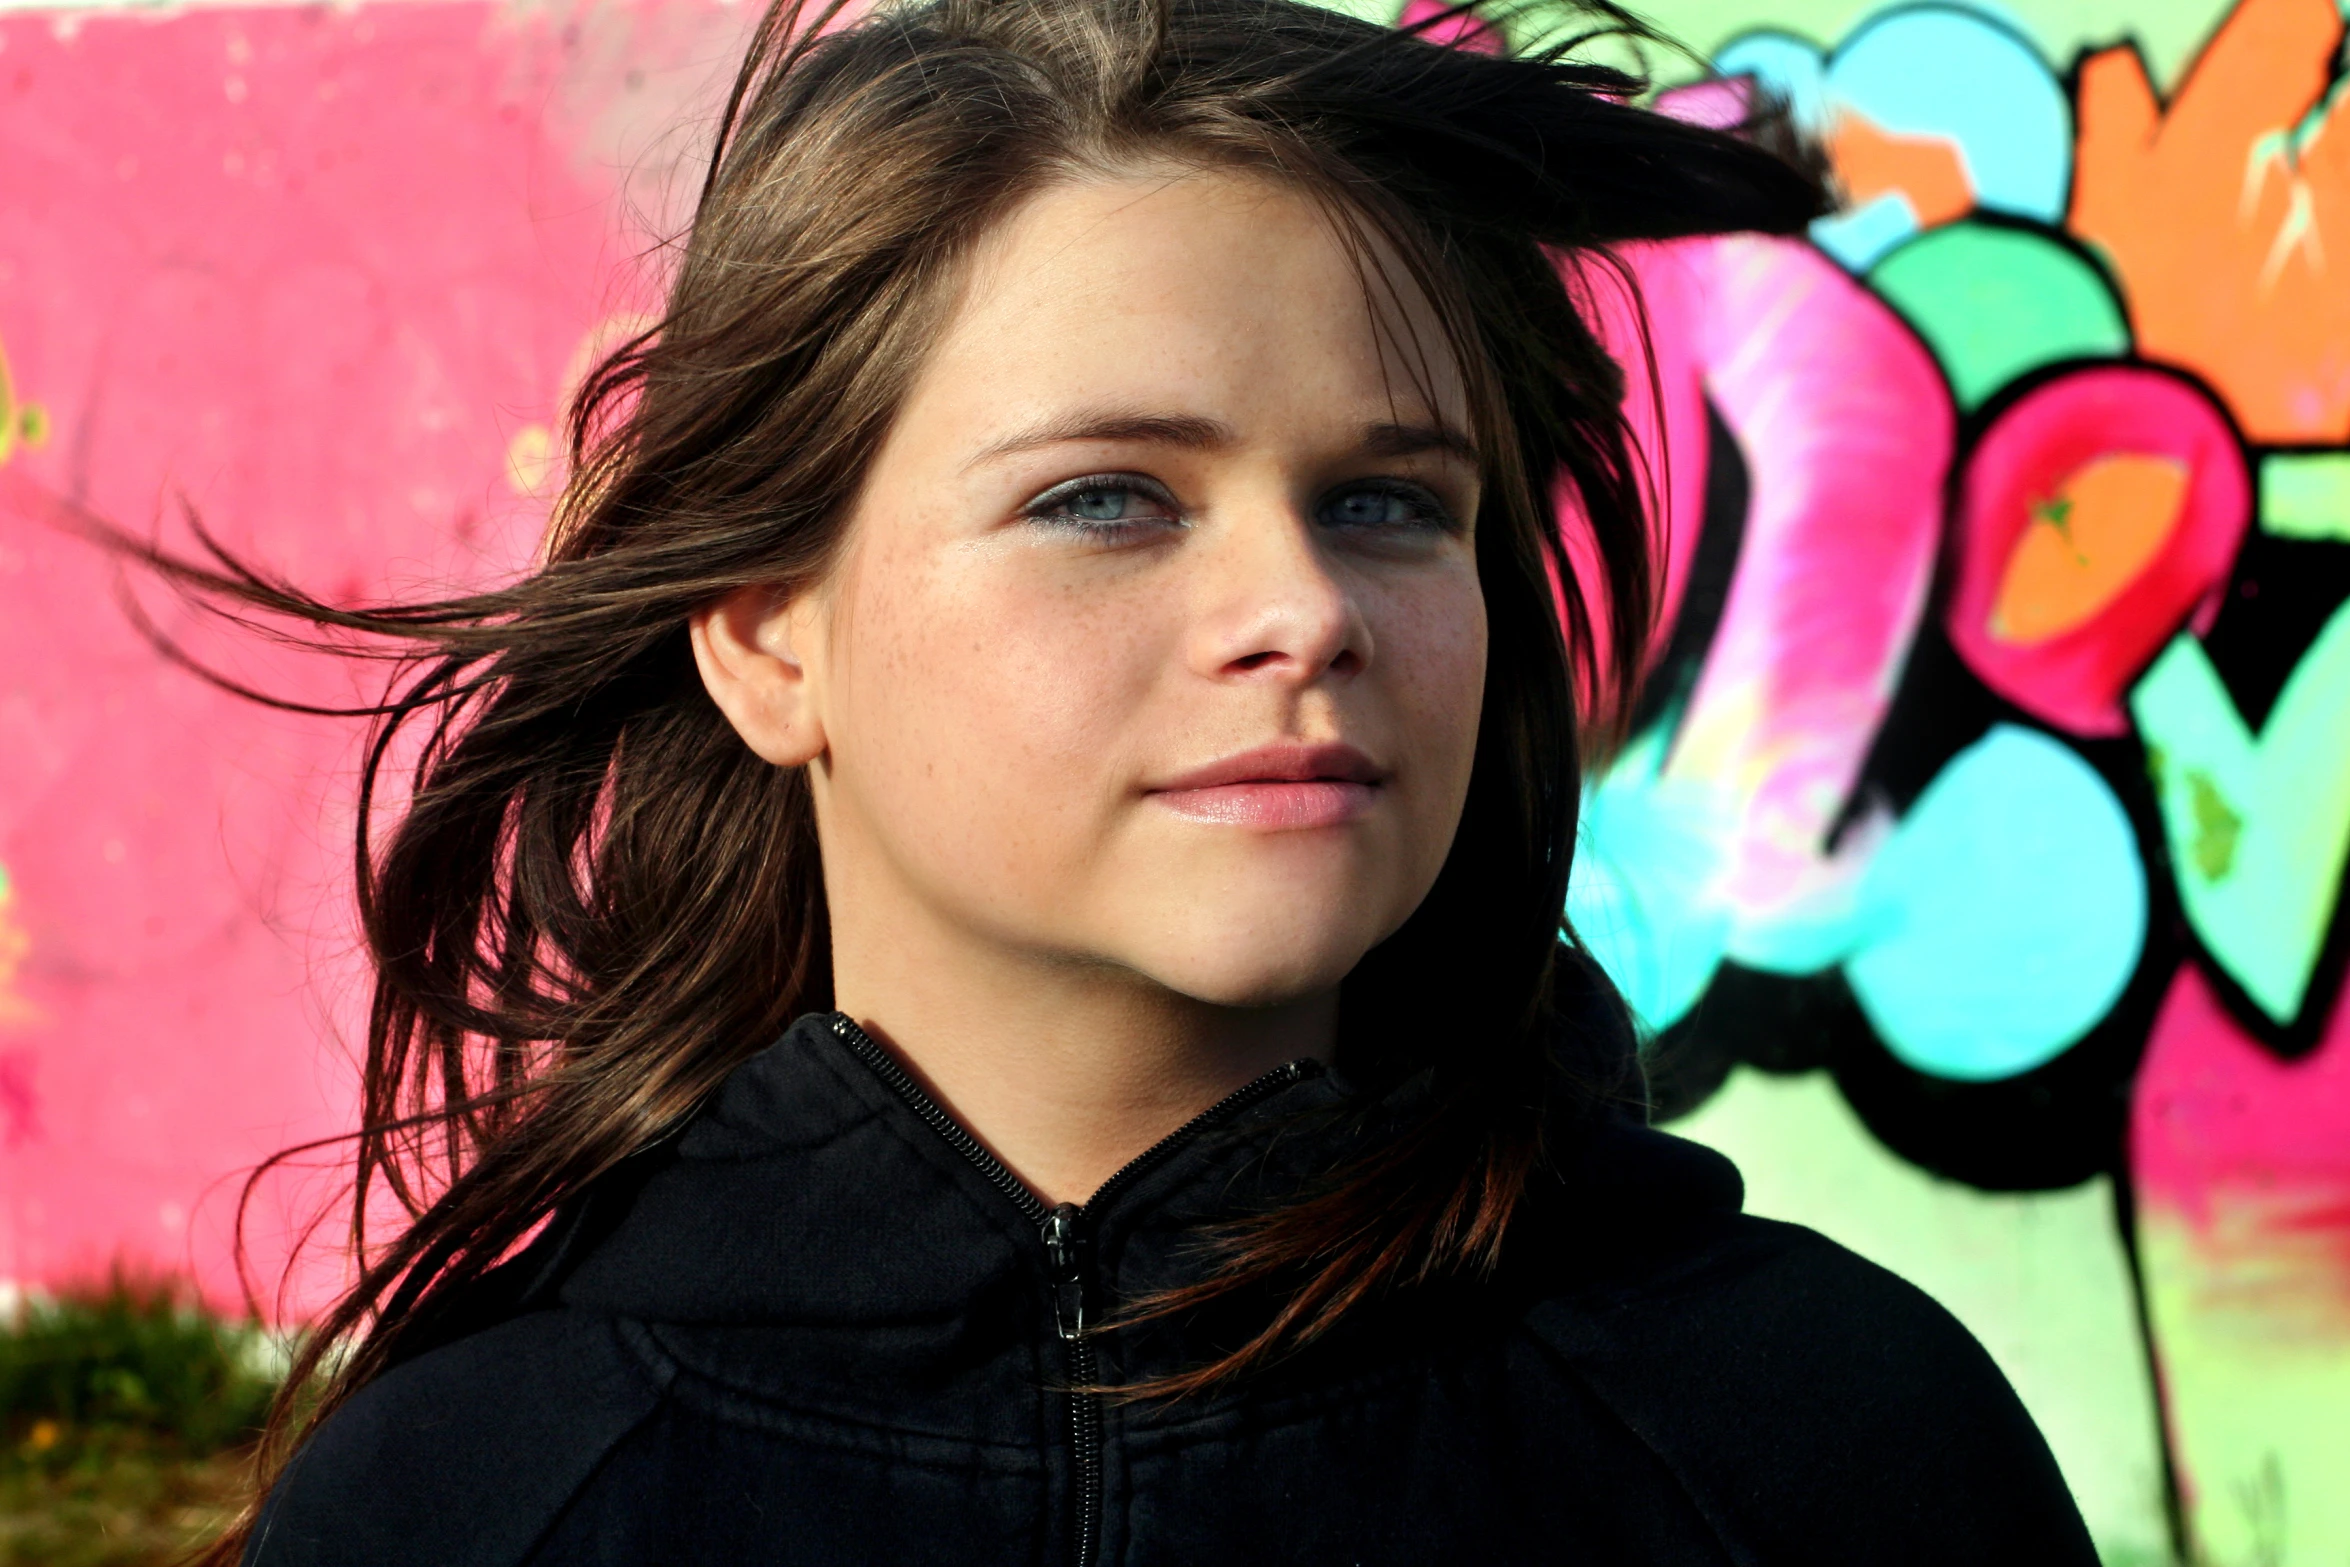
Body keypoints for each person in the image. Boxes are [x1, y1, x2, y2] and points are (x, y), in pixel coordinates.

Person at [165, 0, 2098, 1559]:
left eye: (1387, 503)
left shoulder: (1818, 1445)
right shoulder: (469, 1498)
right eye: (1106, 498)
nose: (1303, 606)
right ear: (767, 635)